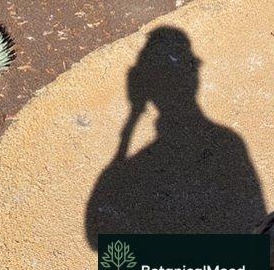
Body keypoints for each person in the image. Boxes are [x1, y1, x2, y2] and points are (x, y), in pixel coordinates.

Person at [86, 27, 267, 243]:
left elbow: (96, 237)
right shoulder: (229, 142)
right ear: (195, 78)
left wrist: (132, 120)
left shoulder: (133, 168)